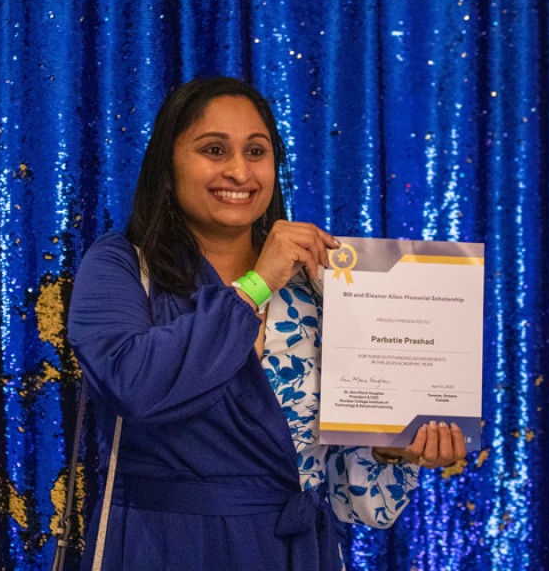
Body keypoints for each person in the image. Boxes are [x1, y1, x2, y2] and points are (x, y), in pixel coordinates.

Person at [68, 76, 467, 570]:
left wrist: (392, 452)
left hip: (298, 551)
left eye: (256, 152)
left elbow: (334, 485)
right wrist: (259, 282)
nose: (239, 171)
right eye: (214, 149)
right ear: (168, 165)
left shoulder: (317, 286)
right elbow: (135, 385)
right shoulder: (121, 265)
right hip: (167, 548)